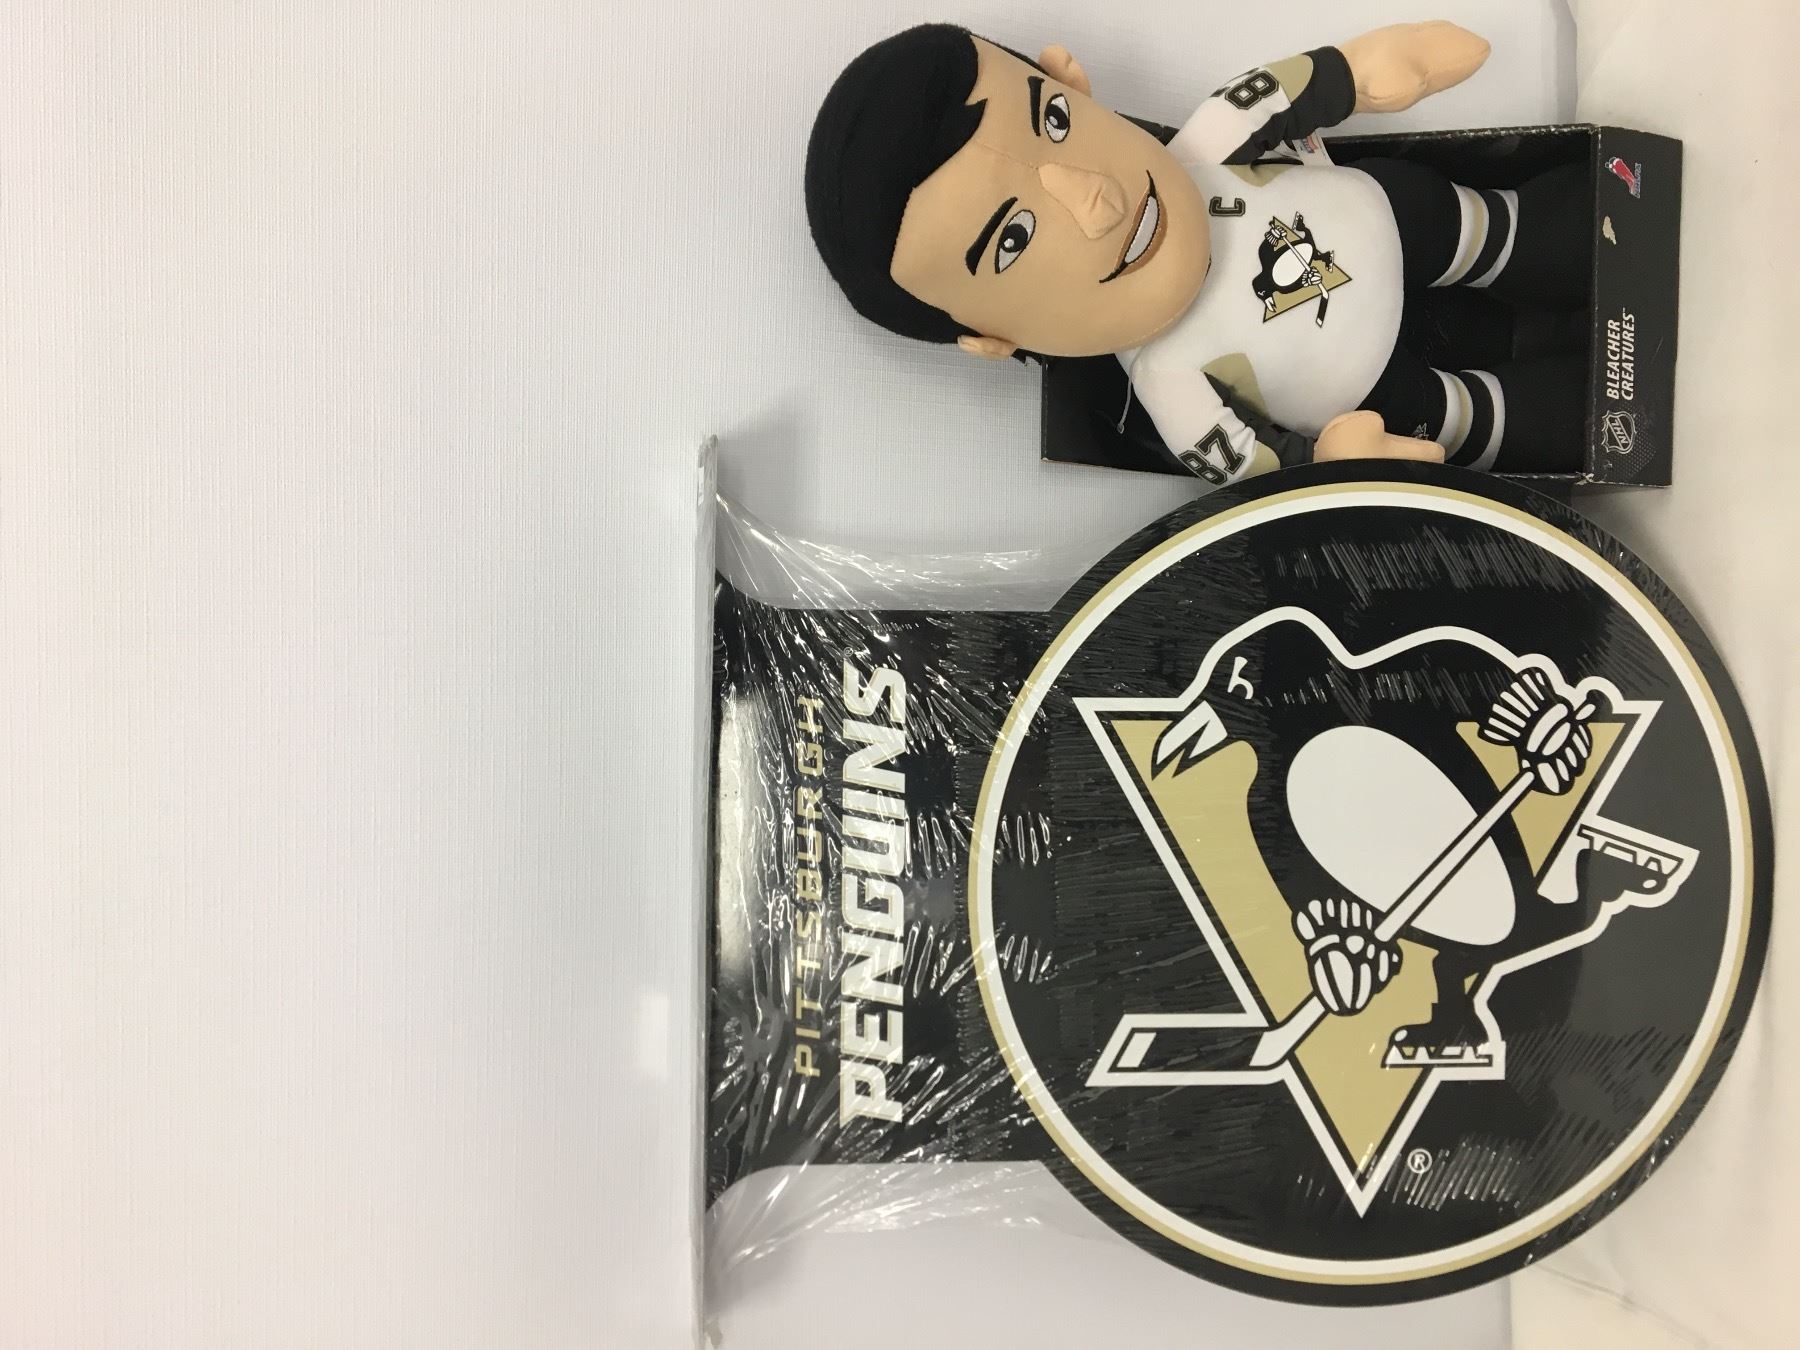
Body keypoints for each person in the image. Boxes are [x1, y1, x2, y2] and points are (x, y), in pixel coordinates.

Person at [805, 22, 1589, 487]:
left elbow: (1302, 87)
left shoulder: (1209, 141)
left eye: (1053, 120)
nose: (1096, 199)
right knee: (1489, 420)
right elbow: (1259, 472)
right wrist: (1336, 463)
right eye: (1012, 240)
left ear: (1069, 81)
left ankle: (1553, 244)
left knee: (1524, 232)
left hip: (1409, 216)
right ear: (991, 339)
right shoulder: (1172, 388)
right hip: (1386, 391)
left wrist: (1365, 68)